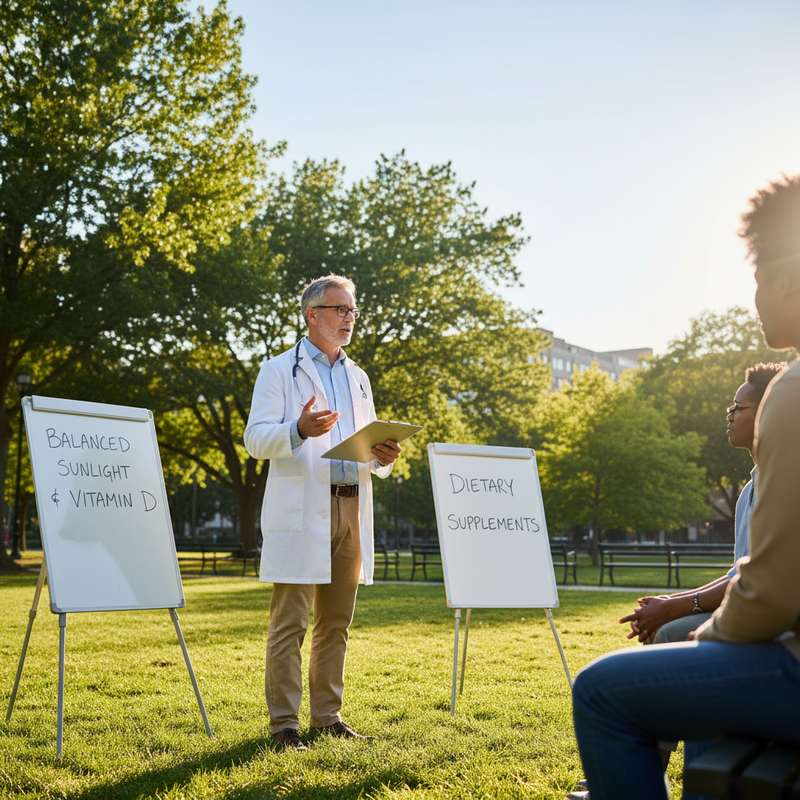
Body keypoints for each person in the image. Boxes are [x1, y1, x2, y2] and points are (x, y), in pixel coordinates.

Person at [570, 174, 800, 800]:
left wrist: (707, 631)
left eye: (755, 279)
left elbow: (776, 588)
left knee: (600, 691)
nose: (755, 298)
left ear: (781, 278)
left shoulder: (791, 393)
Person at [244, 274, 401, 751]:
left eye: (352, 310)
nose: (349, 318)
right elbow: (255, 440)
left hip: (352, 507)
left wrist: (382, 458)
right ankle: (284, 727)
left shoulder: (358, 377)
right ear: (312, 314)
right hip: (304, 507)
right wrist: (297, 428)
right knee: (290, 622)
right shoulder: (277, 371)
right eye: (339, 310)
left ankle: (328, 717)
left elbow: (362, 447)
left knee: (336, 621)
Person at [620, 362, 785, 645]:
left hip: (772, 620)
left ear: (767, 412)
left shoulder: (784, 484)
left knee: (669, 632)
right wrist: (668, 602)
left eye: (737, 407)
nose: (729, 416)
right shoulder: (749, 489)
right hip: (746, 606)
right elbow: (737, 573)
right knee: (665, 626)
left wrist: (672, 608)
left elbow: (754, 580)